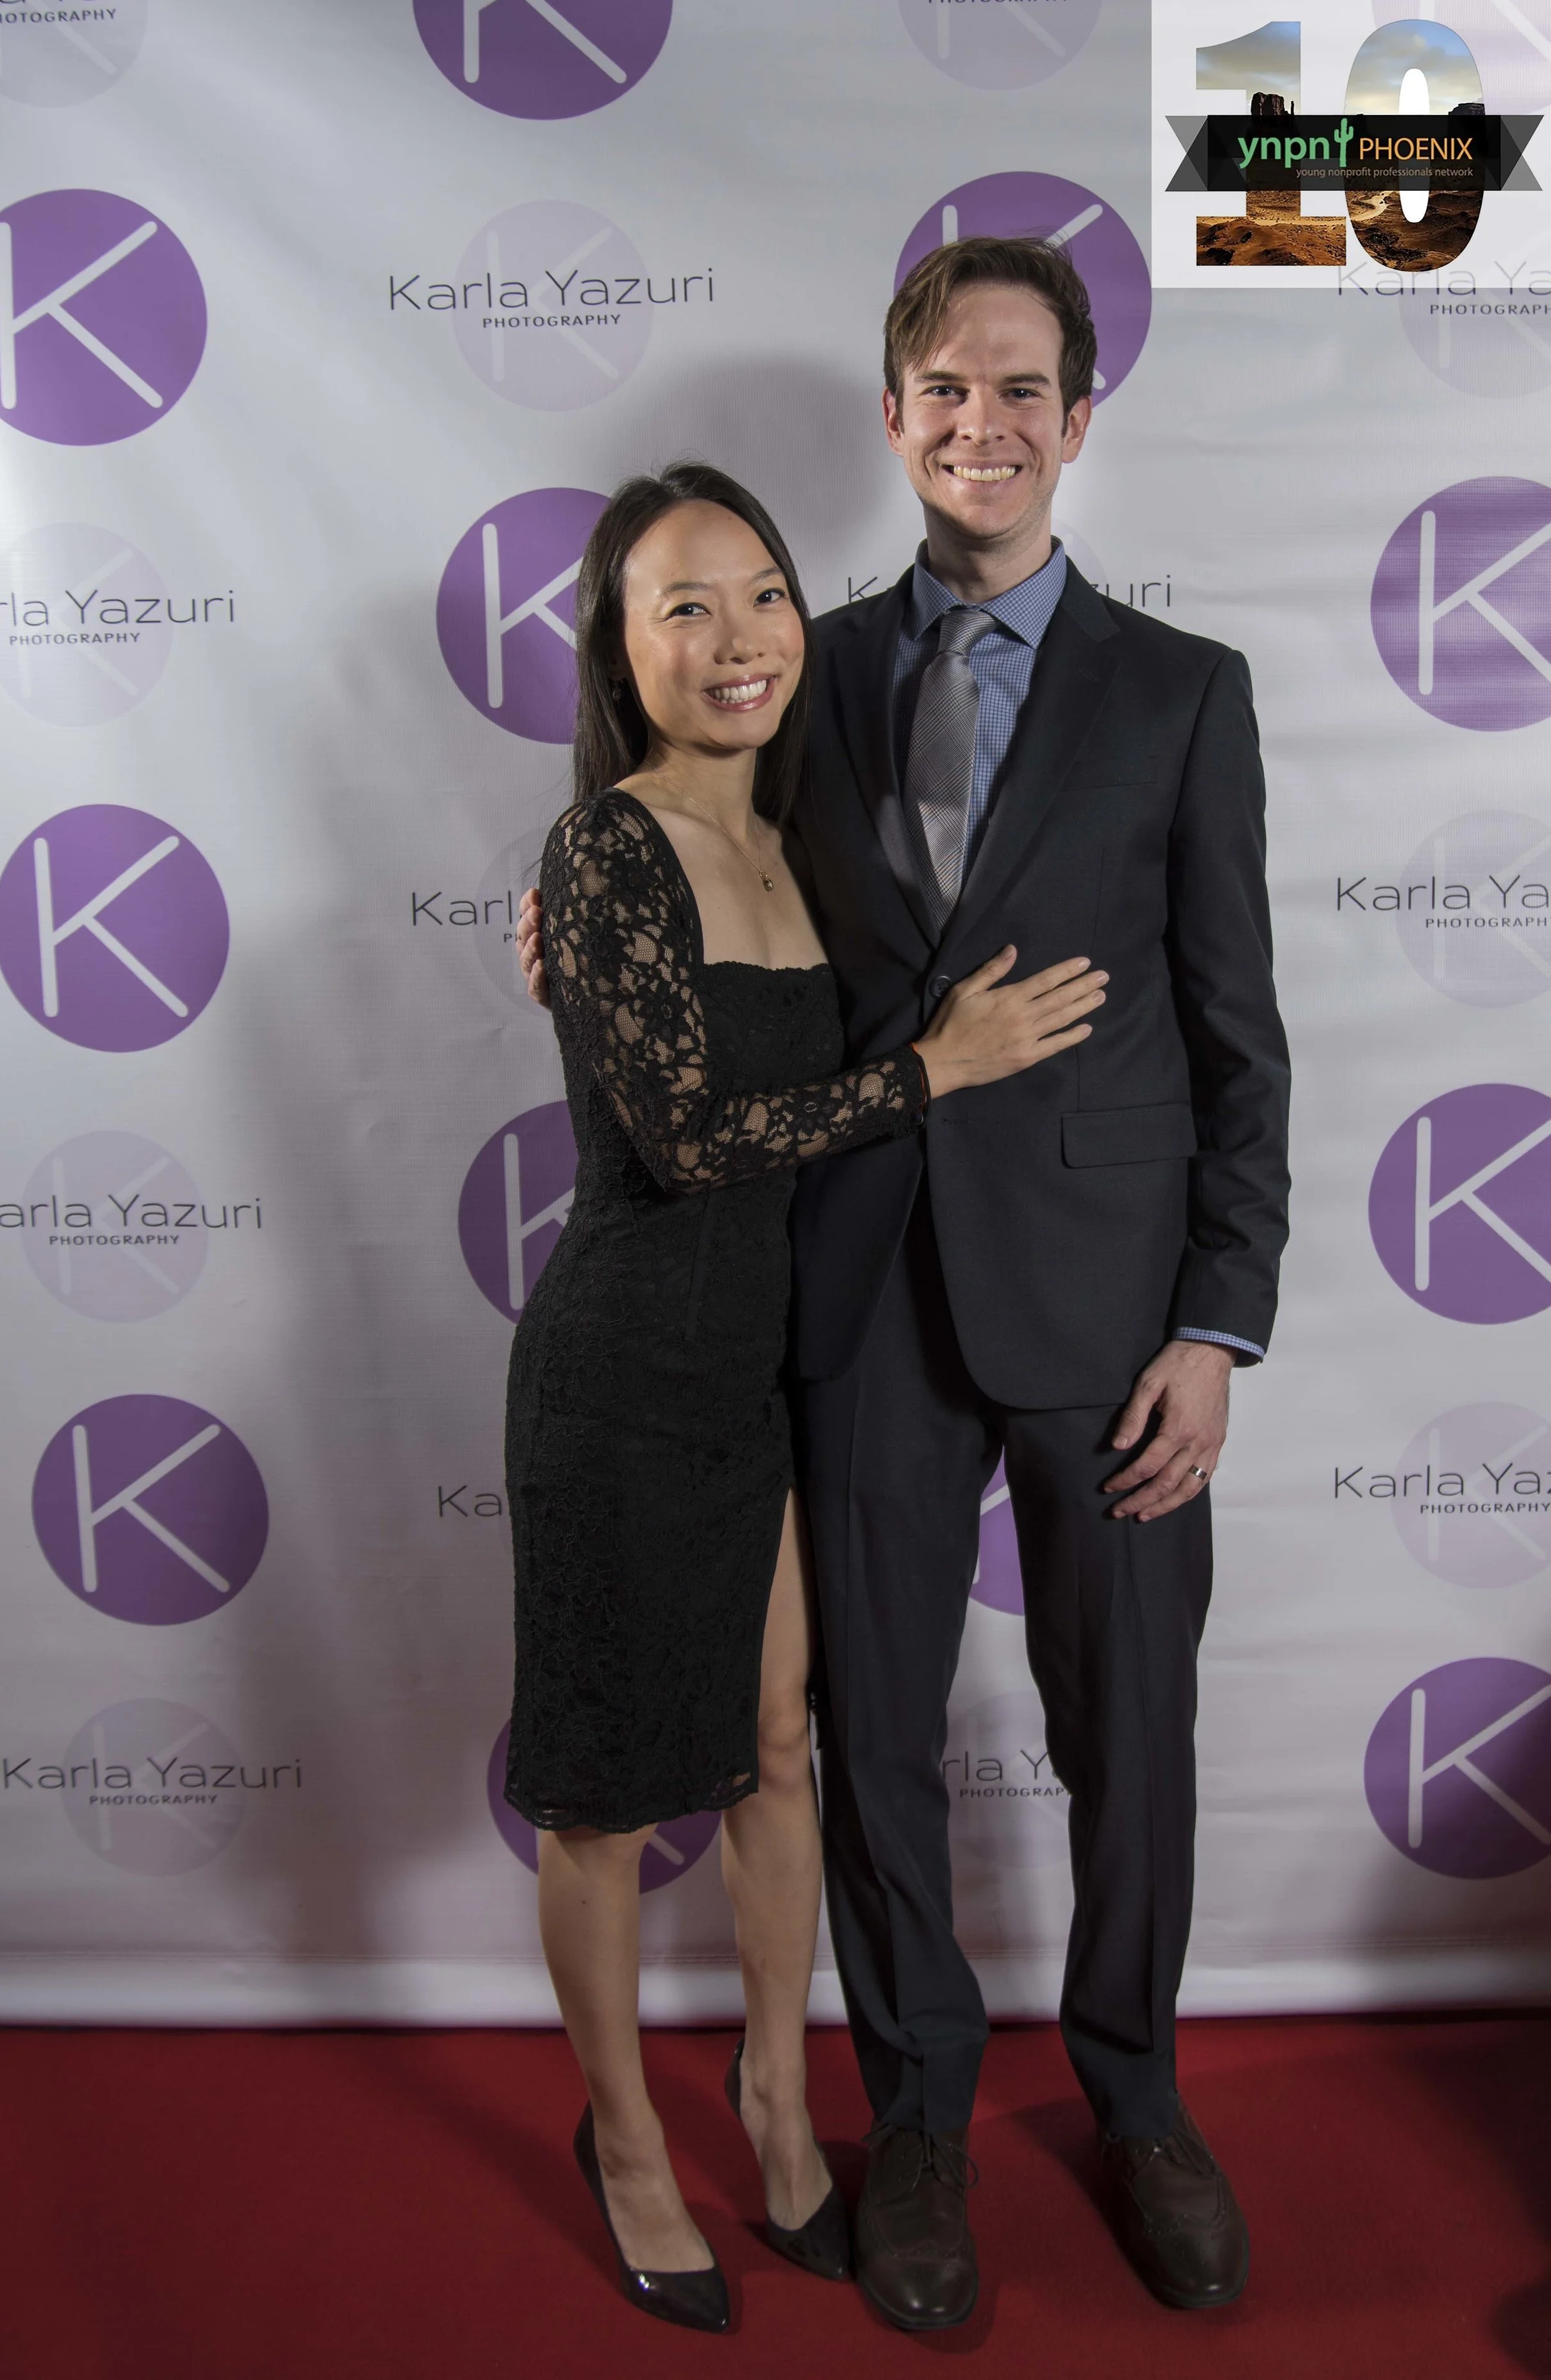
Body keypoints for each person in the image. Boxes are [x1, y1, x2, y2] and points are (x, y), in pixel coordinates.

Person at [520, 236, 1290, 2331]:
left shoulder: (1181, 692)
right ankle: (919, 2115)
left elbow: (1237, 1034)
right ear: (893, 417)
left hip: (1111, 1314)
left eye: (1021, 387)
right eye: (945, 386)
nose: (982, 421)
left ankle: (1137, 2099)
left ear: (1077, 418)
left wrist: (1214, 1323)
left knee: (1129, 1727)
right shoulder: (806, 668)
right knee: (863, 1741)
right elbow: (684, 856)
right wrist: (565, 910)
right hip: (852, 1306)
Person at [503, 457, 1109, 2334]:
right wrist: (934, 1070)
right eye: (681, 607)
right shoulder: (603, 851)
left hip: (773, 1371)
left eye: (760, 593)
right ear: (618, 649)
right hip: (622, 1375)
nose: (737, 638)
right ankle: (622, 2142)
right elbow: (686, 1140)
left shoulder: (803, 826)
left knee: (780, 1747)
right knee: (608, 1797)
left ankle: (776, 2095)